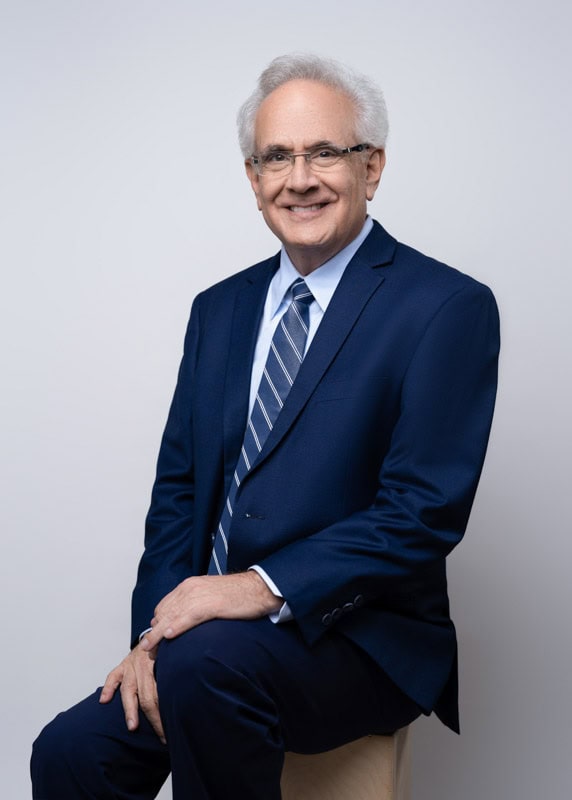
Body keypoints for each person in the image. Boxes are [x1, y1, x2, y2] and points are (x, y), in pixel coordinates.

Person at [31, 53, 500, 799]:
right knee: (67, 752)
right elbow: (178, 498)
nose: (299, 178)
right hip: (206, 648)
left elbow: (422, 511)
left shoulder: (444, 307)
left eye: (324, 152)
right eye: (275, 156)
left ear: (371, 167)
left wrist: (256, 587)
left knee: (205, 666)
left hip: (357, 639)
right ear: (253, 179)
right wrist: (149, 639)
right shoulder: (218, 309)